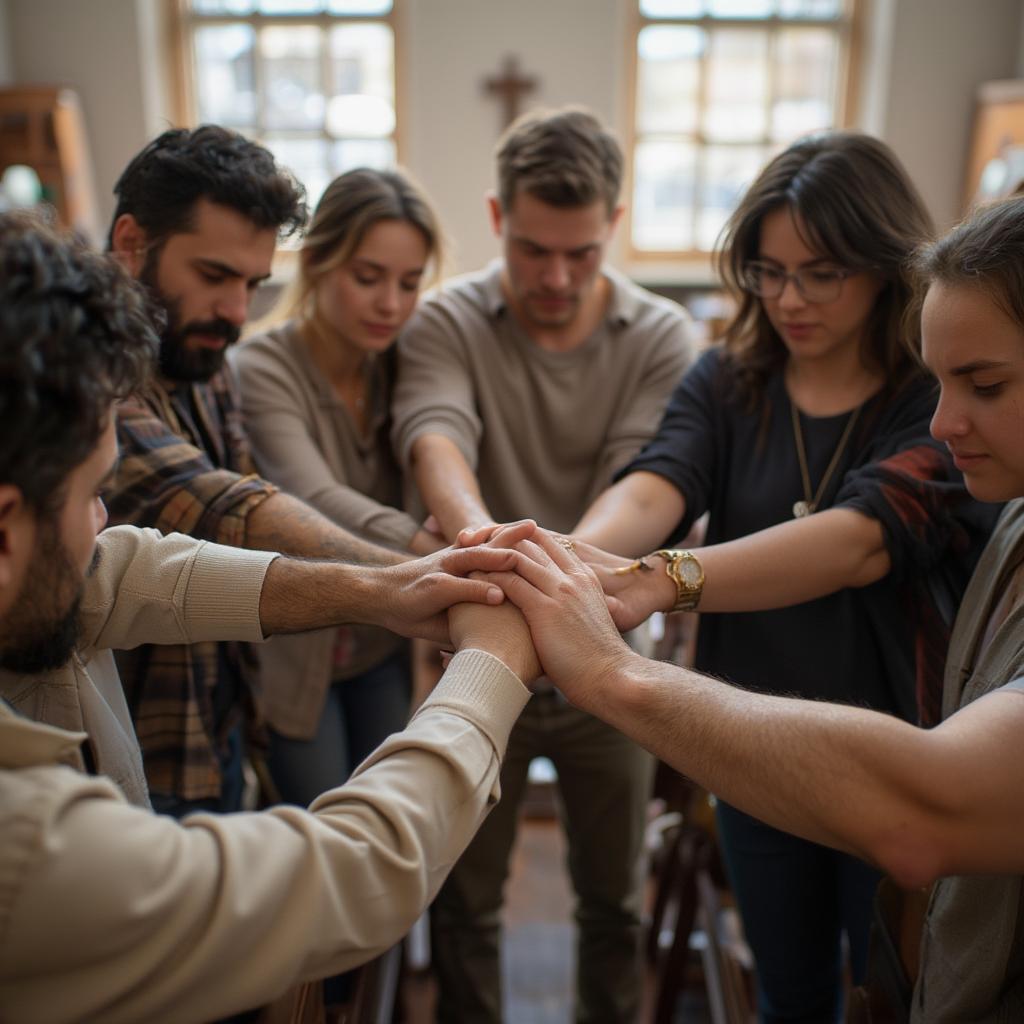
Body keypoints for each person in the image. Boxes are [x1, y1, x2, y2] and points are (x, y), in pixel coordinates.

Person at [483, 192, 1024, 1024]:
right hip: (745, 731)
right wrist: (574, 565)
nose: (790, 299)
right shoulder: (732, 380)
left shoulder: (921, 404)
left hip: (895, 732)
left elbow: (860, 540)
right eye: (770, 274)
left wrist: (632, 619)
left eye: (821, 274)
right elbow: (659, 478)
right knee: (792, 985)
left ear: (880, 275)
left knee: (885, 971)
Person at [0, 210, 541, 1024]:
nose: (105, 519)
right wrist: (490, 668)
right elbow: (350, 875)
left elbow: (137, 572)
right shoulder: (29, 847)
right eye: (90, 494)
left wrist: (384, 593)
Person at [390, 106, 694, 1022]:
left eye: (582, 253)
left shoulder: (664, 335)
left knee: (614, 905)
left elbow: (646, 481)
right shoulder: (445, 319)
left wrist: (544, 580)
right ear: (495, 216)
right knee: (466, 904)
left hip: (614, 650)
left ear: (616, 223)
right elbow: (436, 434)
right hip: (479, 646)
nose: (557, 277)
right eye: (533, 251)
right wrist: (488, 543)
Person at [103, 126, 441, 818]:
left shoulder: (206, 365)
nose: (236, 311)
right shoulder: (90, 376)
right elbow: (233, 508)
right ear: (132, 243)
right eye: (214, 276)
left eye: (253, 284)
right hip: (127, 753)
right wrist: (417, 582)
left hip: (215, 727)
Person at [231, 168, 444, 807]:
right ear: (319, 262)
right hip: (295, 656)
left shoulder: (404, 365)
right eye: (368, 277)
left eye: (410, 284)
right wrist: (439, 552)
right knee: (320, 837)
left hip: (383, 645)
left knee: (385, 821)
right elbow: (311, 497)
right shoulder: (259, 367)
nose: (391, 305)